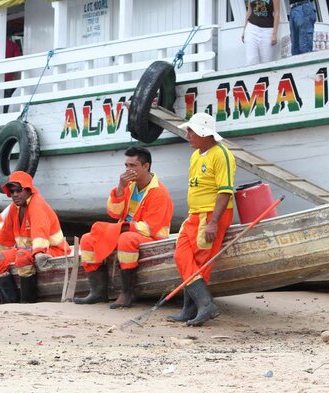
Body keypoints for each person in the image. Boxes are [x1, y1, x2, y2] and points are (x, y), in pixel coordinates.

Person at [74, 147, 174, 308]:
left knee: (126, 239)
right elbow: (114, 213)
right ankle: (98, 292)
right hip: (127, 230)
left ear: (146, 166)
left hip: (152, 237)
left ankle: (127, 294)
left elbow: (150, 228)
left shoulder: (159, 193)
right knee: (87, 239)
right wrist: (120, 188)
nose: (128, 170)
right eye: (126, 166)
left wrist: (122, 229)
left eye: (133, 166)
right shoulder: (128, 186)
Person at [169, 113, 236, 327]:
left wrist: (214, 222)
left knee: (200, 262)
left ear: (203, 133)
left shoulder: (221, 154)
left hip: (210, 215)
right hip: (195, 214)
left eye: (191, 131)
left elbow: (225, 190)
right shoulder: (196, 155)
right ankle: (202, 304)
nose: (187, 135)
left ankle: (198, 307)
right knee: (182, 254)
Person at [0, 171, 70, 304]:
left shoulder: (37, 205)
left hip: (51, 250)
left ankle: (28, 302)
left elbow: (39, 231)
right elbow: (5, 236)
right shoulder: (15, 207)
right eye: (12, 192)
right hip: (27, 250)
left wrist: (39, 252)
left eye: (18, 190)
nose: (15, 194)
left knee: (22, 256)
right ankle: (9, 303)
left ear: (28, 189)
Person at [242, 0, 280, 65]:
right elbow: (249, 11)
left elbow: (277, 13)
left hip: (267, 30)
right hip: (251, 28)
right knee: (251, 61)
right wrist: (244, 31)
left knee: (267, 62)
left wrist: (274, 34)